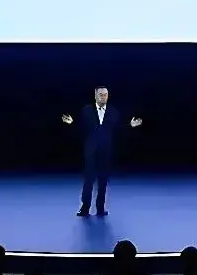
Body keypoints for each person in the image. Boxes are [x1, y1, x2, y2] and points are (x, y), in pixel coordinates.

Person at [61, 86, 142, 216]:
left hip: (106, 151)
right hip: (91, 151)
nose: (103, 97)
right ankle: (85, 208)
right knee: (88, 180)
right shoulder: (87, 110)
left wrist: (130, 125)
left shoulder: (113, 111)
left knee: (103, 181)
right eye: (100, 94)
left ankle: (100, 208)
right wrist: (72, 123)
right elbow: (81, 128)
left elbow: (119, 129)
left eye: (105, 94)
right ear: (95, 95)